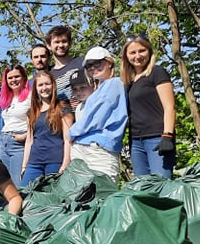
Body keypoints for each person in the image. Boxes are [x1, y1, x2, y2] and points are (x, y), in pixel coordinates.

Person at [68, 46, 128, 183]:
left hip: (99, 150)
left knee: (103, 193)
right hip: (83, 147)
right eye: (89, 66)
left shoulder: (114, 84)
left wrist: (71, 133)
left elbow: (95, 119)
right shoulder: (100, 88)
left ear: (109, 63)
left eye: (98, 63)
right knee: (80, 195)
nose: (93, 68)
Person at [122, 35, 176, 178]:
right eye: (132, 53)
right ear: (126, 56)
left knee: (161, 186)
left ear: (150, 52)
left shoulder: (157, 73)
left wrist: (167, 136)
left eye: (142, 51)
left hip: (157, 138)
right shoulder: (129, 81)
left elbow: (169, 106)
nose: (137, 56)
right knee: (144, 189)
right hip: (136, 141)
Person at [21, 71, 73, 186]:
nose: (44, 88)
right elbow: (29, 140)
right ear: (35, 88)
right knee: (24, 194)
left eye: (47, 84)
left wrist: (65, 163)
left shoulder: (62, 108)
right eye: (40, 85)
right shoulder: (32, 112)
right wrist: (24, 166)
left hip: (55, 160)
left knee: (53, 197)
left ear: (53, 85)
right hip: (35, 162)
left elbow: (68, 139)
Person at [0, 65, 31, 185]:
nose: (13, 80)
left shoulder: (30, 97)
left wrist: (26, 135)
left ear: (24, 78)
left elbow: (39, 122)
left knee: (18, 183)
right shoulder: (6, 98)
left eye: (17, 76)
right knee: (6, 184)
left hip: (19, 143)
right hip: (4, 143)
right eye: (10, 78)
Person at [46, 26, 84, 106]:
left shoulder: (82, 62)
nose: (61, 45)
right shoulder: (48, 75)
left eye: (64, 41)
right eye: (56, 42)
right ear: (49, 45)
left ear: (70, 43)